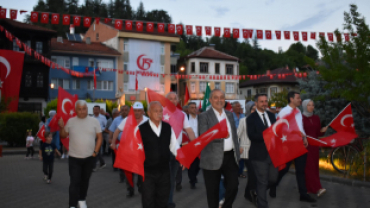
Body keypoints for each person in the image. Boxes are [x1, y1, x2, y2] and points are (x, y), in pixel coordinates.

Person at [270, 91, 316, 203]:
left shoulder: (298, 111)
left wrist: (304, 137)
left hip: (300, 145)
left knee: (301, 171)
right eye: (298, 98)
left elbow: (300, 127)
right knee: (284, 169)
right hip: (289, 146)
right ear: (291, 99)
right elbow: (281, 129)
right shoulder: (283, 112)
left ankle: (303, 194)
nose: (300, 100)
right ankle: (273, 185)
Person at [198, 89, 240, 208]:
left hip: (230, 156)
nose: (219, 100)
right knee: (212, 191)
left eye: (222, 97)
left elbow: (234, 135)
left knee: (234, 185)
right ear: (210, 100)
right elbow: (204, 135)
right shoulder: (204, 116)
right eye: (216, 97)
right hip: (211, 157)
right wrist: (220, 135)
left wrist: (237, 151)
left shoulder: (229, 114)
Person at [58, 100, 103, 208]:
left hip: (89, 158)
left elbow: (100, 137)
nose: (82, 111)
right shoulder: (71, 121)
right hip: (74, 158)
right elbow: (64, 136)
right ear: (75, 110)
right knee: (74, 182)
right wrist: (61, 127)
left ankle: (82, 199)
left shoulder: (94, 121)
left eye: (84, 109)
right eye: (80, 109)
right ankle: (72, 205)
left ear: (87, 109)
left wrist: (95, 152)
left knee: (85, 181)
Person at [139, 101, 180, 208]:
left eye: (161, 111)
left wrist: (182, 158)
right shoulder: (141, 129)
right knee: (148, 200)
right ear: (149, 113)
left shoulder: (167, 127)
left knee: (163, 200)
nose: (159, 113)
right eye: (155, 111)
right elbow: (135, 150)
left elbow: (174, 146)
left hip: (164, 171)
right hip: (147, 172)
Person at [112, 102, 149, 197]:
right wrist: (113, 142)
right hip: (129, 150)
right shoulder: (127, 120)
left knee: (142, 171)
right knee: (129, 171)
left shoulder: (148, 121)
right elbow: (117, 131)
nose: (137, 113)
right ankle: (130, 190)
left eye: (139, 111)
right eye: (135, 111)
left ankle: (141, 186)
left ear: (143, 112)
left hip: (143, 152)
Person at [247, 94, 278, 208]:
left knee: (273, 179)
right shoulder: (251, 118)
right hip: (259, 155)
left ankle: (256, 192)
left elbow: (276, 130)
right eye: (261, 101)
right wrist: (267, 135)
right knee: (262, 181)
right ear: (256, 103)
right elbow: (251, 135)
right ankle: (262, 205)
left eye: (266, 101)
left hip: (273, 153)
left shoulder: (271, 115)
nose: (264, 103)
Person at [166, 92, 196, 208]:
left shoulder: (182, 114)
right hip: (162, 151)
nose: (173, 101)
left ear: (178, 100)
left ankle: (169, 202)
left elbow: (189, 130)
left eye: (175, 99)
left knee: (171, 179)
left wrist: (194, 144)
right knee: (163, 179)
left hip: (176, 151)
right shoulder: (160, 112)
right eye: (170, 99)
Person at [302, 99, 328, 197]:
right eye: (309, 105)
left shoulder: (316, 118)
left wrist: (323, 131)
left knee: (314, 167)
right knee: (309, 167)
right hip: (305, 145)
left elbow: (317, 133)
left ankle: (309, 188)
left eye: (313, 105)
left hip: (314, 147)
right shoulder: (301, 118)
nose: (311, 107)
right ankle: (318, 188)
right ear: (305, 106)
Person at [238, 101, 258, 203]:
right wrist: (238, 147)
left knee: (254, 174)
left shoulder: (259, 121)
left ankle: (248, 193)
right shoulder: (243, 120)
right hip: (246, 151)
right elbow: (237, 135)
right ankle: (251, 193)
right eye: (253, 109)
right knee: (253, 173)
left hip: (257, 151)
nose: (255, 111)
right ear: (249, 110)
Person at [108, 105, 130, 181]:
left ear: (128, 111)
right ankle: (122, 175)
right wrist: (111, 140)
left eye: (125, 110)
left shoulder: (133, 119)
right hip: (120, 144)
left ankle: (130, 177)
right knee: (122, 161)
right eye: (122, 110)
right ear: (120, 111)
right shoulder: (116, 120)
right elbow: (111, 131)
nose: (124, 111)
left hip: (131, 144)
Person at [187, 102, 200, 189]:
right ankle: (192, 180)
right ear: (188, 109)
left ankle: (194, 176)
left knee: (198, 164)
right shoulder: (186, 118)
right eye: (192, 107)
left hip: (199, 144)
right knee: (191, 163)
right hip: (189, 144)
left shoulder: (200, 118)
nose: (194, 109)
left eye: (195, 107)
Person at [232, 101, 246, 178]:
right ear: (233, 107)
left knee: (242, 155)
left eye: (239, 106)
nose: (239, 107)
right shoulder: (230, 115)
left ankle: (240, 172)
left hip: (242, 138)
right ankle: (233, 171)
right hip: (234, 138)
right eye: (237, 106)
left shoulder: (243, 115)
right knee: (234, 155)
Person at [92, 105, 107, 171]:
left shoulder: (103, 118)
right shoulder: (91, 118)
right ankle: (102, 162)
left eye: (97, 109)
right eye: (94, 110)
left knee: (96, 149)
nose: (95, 111)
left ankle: (94, 166)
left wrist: (101, 129)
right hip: (92, 135)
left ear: (99, 110)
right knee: (95, 150)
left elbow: (106, 126)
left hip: (100, 135)